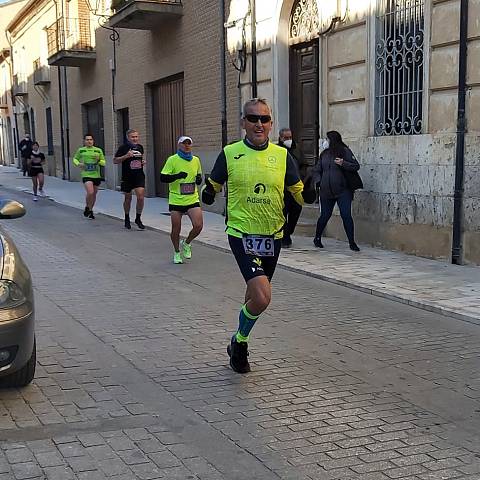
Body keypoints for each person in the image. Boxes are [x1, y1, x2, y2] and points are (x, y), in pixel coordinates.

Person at [202, 98, 316, 374]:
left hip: (273, 235)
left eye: (264, 119)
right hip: (241, 232)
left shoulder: (282, 156)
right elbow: (213, 185)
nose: (258, 124)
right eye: (252, 118)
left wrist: (310, 195)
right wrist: (207, 192)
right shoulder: (230, 153)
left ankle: (238, 341)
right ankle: (239, 343)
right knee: (263, 297)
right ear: (243, 122)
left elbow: (297, 192)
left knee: (253, 295)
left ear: (271, 123)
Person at [312, 130, 360, 252]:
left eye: (327, 139)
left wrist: (343, 163)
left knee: (346, 215)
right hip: (326, 191)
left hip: (343, 190)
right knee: (324, 215)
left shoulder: (345, 151)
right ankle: (317, 238)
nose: (325, 142)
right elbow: (317, 169)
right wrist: (318, 181)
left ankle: (352, 242)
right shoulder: (324, 154)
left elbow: (355, 166)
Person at [160, 136, 203, 264]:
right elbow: (163, 178)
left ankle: (187, 242)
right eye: (184, 143)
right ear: (179, 145)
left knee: (198, 225)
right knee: (176, 229)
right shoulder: (172, 160)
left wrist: (199, 179)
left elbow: (198, 173)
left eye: (189, 143)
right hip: (176, 199)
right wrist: (177, 176)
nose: (186, 146)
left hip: (192, 197)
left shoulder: (196, 160)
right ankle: (177, 252)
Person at [113, 129, 146, 230]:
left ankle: (138, 218)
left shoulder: (140, 147)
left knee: (140, 197)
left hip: (139, 175)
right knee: (128, 199)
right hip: (127, 177)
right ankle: (127, 218)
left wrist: (142, 162)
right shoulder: (123, 148)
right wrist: (126, 156)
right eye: (133, 137)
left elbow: (139, 158)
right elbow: (115, 160)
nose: (135, 139)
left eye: (136, 136)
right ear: (128, 137)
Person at [278, 128, 303, 248]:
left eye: (290, 137)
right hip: (282, 188)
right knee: (283, 213)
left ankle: (289, 231)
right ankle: (285, 237)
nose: (288, 140)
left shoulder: (296, 149)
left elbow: (303, 164)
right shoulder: (277, 150)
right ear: (281, 138)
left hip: (295, 187)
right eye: (286, 138)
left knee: (296, 210)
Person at [73, 133, 106, 219]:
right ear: (84, 141)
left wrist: (98, 160)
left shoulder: (98, 150)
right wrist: (79, 164)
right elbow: (75, 159)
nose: (89, 141)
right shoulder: (81, 150)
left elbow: (103, 162)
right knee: (90, 192)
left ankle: (90, 210)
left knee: (94, 194)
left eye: (91, 140)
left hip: (96, 175)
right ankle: (87, 206)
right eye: (87, 140)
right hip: (86, 174)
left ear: (93, 141)